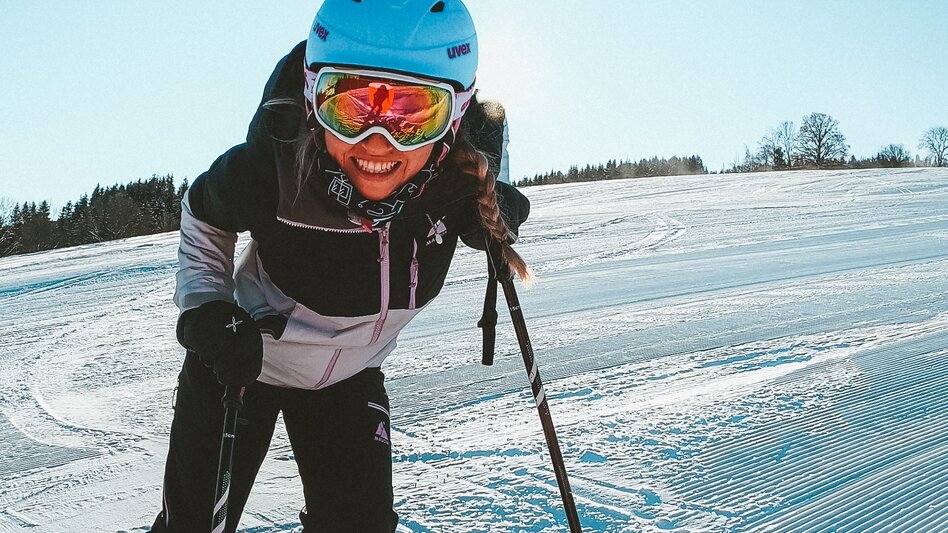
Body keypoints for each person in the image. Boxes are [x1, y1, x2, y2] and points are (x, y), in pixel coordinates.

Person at [150, 0, 530, 531]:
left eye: (414, 114)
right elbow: (203, 213)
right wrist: (209, 306)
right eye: (351, 108)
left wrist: (493, 217)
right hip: (240, 362)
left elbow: (491, 193)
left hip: (349, 378)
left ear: (455, 117)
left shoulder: (456, 181)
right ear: (311, 98)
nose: (378, 142)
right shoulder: (273, 167)